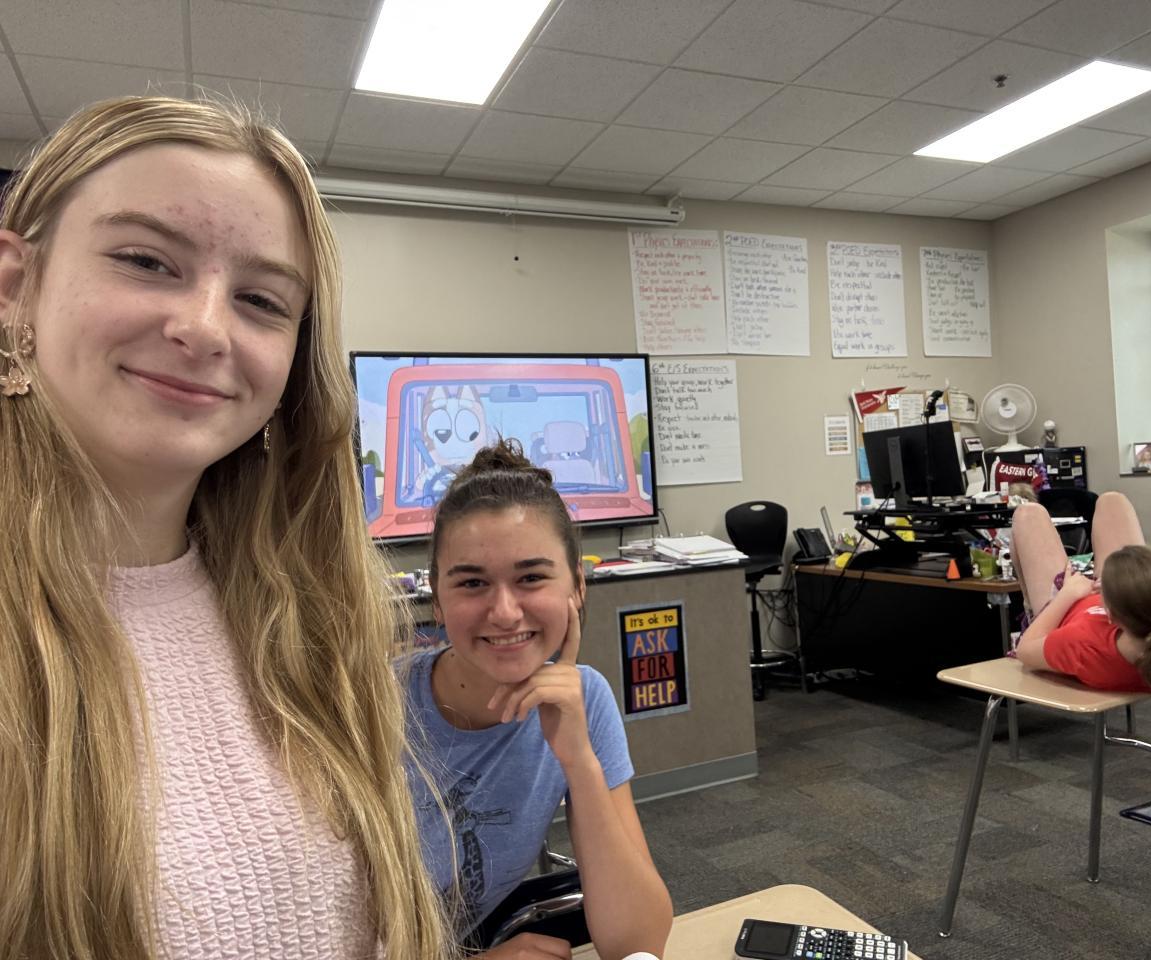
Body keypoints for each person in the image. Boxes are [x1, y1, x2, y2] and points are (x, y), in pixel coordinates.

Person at [0, 96, 451, 960]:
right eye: (146, 261)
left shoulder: (310, 617)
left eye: (261, 300)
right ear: (15, 284)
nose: (206, 328)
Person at [403, 440, 673, 960]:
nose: (505, 612)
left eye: (531, 577)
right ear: (437, 598)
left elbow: (638, 942)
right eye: (473, 582)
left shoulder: (583, 699)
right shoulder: (369, 709)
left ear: (577, 587)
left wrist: (579, 760)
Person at [1010, 491, 1151, 697]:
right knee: (1112, 500)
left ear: (1109, 614)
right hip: (1116, 599)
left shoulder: (1085, 646)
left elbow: (1025, 650)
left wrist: (1067, 594)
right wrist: (1127, 589)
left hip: (1061, 605)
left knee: (1028, 513)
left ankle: (1032, 608)